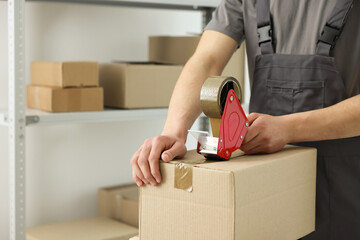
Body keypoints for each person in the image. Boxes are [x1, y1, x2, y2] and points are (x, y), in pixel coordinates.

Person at [130, 0, 360, 239]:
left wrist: (288, 129)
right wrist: (174, 131)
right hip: (262, 184)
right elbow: (207, 59)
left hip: (344, 185)